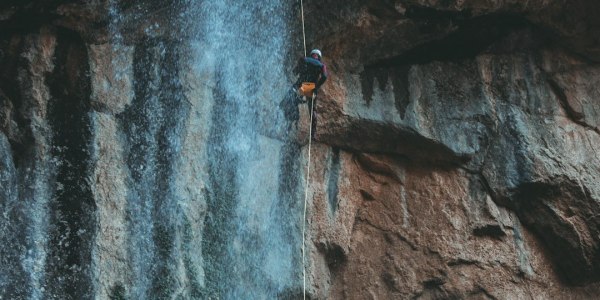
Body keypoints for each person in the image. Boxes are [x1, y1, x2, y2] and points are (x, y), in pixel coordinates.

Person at [293, 49, 328, 139]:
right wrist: (316, 86)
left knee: (293, 100)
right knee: (312, 109)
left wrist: (298, 71)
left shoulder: (305, 59)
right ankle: (313, 133)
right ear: (319, 57)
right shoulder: (321, 65)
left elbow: (295, 71)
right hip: (309, 86)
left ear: (312, 55)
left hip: (299, 85)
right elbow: (324, 76)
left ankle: (294, 120)